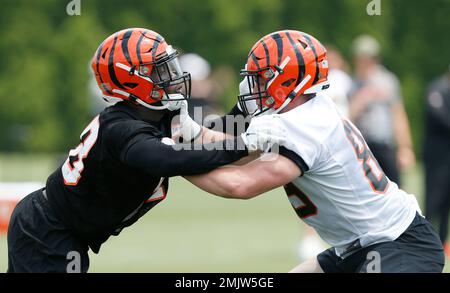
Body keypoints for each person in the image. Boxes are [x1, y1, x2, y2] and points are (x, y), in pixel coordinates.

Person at [6, 28, 285, 273]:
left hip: (62, 230)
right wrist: (244, 145)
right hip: (47, 230)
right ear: (132, 80)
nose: (171, 75)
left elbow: (206, 136)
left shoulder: (160, 112)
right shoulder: (122, 128)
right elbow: (171, 159)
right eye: (159, 70)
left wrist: (245, 113)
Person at [185, 30, 445, 273]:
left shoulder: (304, 127)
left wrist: (170, 165)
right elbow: (229, 143)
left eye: (263, 77)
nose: (253, 86)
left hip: (398, 244)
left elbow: (238, 184)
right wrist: (178, 132)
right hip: (357, 246)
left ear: (289, 81)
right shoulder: (303, 110)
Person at [348, 35, 415, 186]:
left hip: (385, 145)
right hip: (362, 148)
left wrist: (405, 147)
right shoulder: (352, 83)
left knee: (395, 189)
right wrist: (360, 100)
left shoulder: (388, 81)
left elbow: (398, 115)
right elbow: (347, 119)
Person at [424, 65, 450, 258]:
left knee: (446, 203)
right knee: (432, 199)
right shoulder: (437, 88)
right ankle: (425, 241)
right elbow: (439, 116)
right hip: (436, 155)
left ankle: (441, 242)